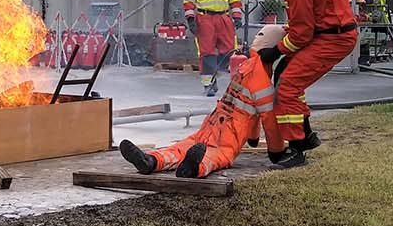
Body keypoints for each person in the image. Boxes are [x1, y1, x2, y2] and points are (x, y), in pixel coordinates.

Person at [118, 24, 291, 178]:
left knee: (184, 146)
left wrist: (253, 139)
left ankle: (151, 160)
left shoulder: (245, 67)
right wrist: (277, 151)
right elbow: (268, 121)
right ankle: (194, 168)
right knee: (216, 156)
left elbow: (251, 110)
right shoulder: (263, 82)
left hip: (212, 122)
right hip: (230, 131)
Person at [253, 0, 358, 168]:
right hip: (328, 33)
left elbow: (301, 34)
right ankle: (307, 133)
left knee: (288, 85)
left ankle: (297, 147)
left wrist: (276, 50)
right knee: (285, 72)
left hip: (333, 38)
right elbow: (304, 23)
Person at [184, 0, 242, 96]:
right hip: (205, 19)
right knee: (207, 52)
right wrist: (190, 19)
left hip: (223, 17)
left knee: (229, 50)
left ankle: (219, 76)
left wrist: (236, 16)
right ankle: (208, 84)